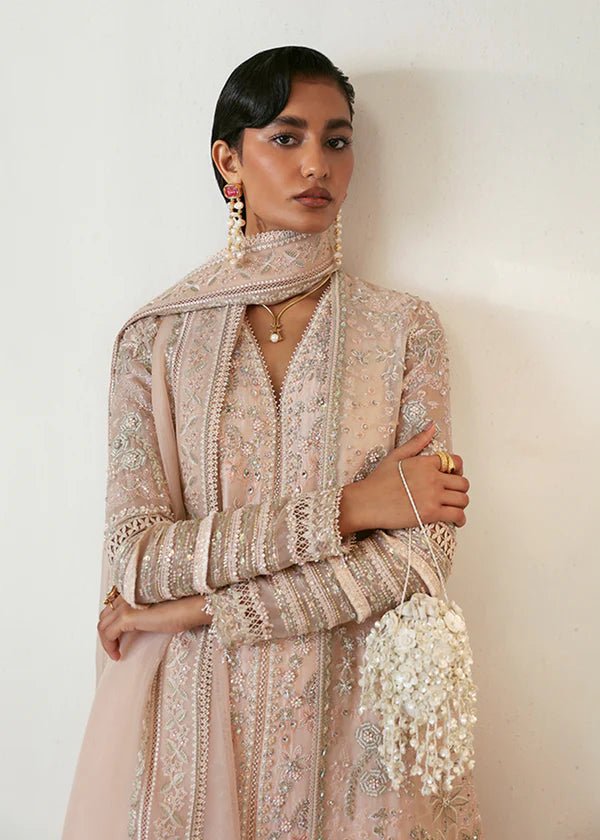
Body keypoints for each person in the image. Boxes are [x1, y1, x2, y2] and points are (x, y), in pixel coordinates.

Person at [62, 45, 483, 839]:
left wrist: (197, 609)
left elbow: (421, 555)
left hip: (365, 730)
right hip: (200, 718)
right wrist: (355, 506)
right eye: (285, 139)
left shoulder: (405, 331)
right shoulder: (155, 342)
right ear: (230, 161)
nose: (316, 163)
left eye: (337, 139)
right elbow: (137, 559)